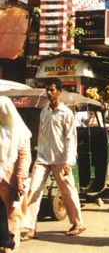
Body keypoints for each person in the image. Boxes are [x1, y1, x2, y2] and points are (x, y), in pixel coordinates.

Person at [21, 78, 85, 240]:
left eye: (52, 90)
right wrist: (37, 156)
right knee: (33, 190)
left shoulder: (66, 113)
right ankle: (30, 227)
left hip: (61, 159)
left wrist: (68, 162)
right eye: (47, 90)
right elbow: (41, 137)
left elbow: (71, 138)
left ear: (59, 92)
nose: (48, 93)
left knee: (68, 190)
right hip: (43, 158)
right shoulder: (44, 112)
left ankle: (78, 223)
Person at [0, 96, 32, 251]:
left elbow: (25, 157)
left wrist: (20, 180)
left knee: (13, 215)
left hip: (12, 181)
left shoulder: (21, 132)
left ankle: (11, 247)